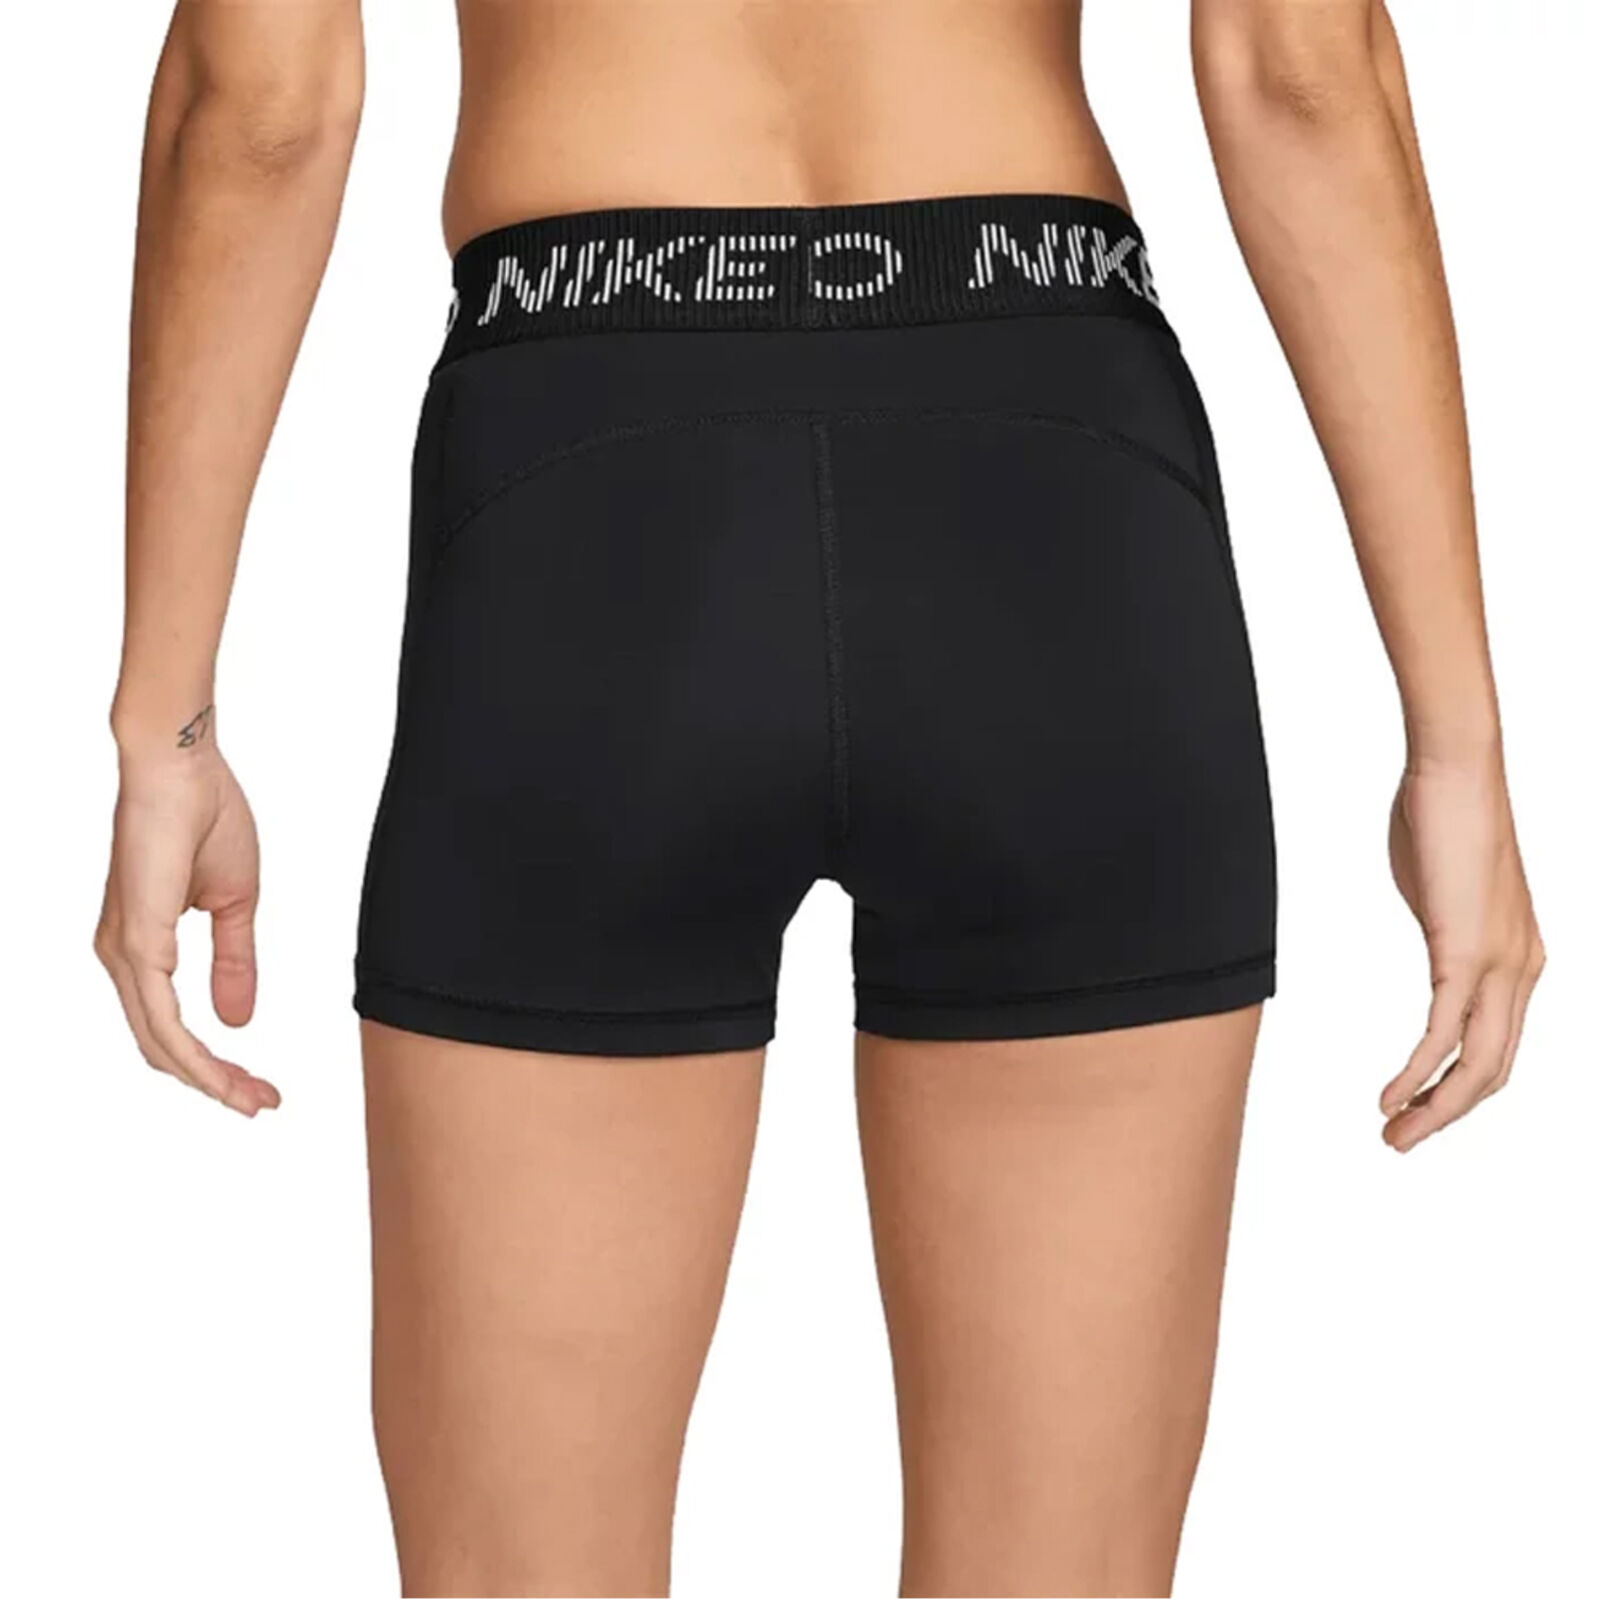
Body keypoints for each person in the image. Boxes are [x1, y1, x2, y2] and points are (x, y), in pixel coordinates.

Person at [94, 2, 1544, 1595]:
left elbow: (263, 104)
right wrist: (1455, 742)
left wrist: (169, 725)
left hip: (593, 490)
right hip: (1053, 479)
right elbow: (1301, 70)